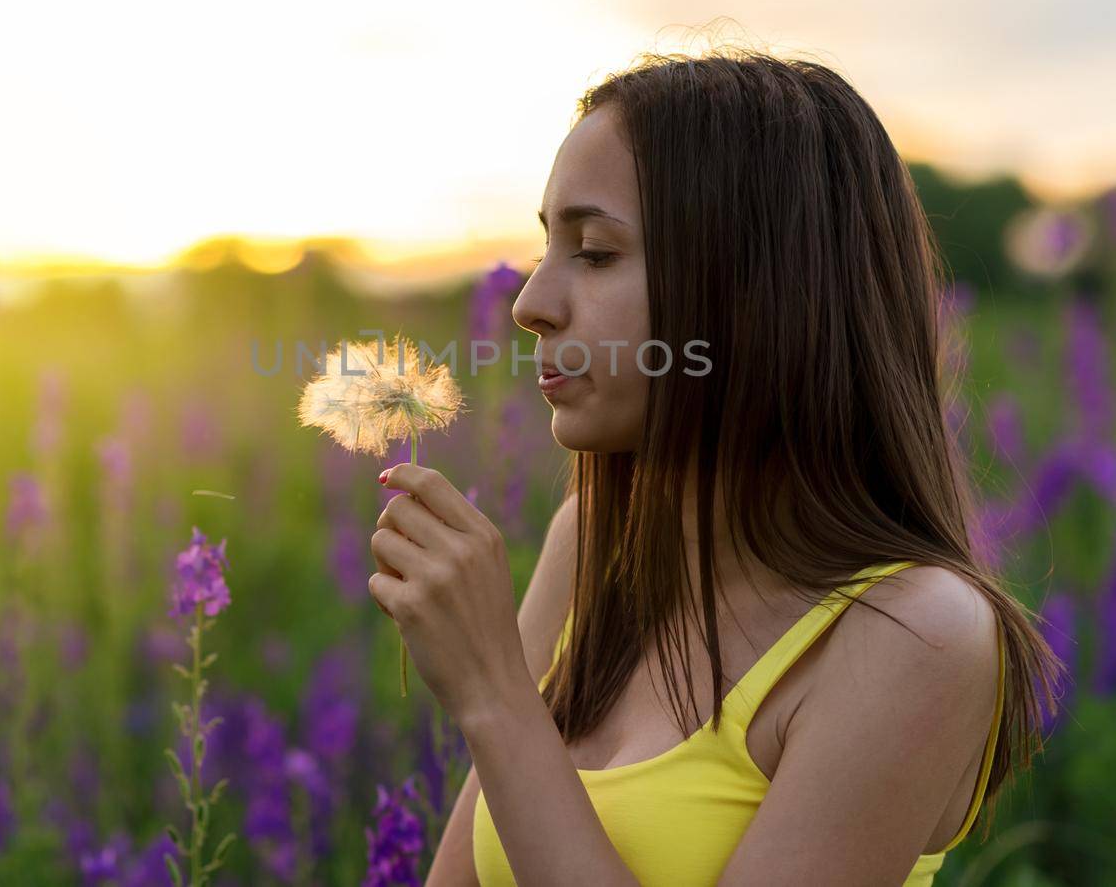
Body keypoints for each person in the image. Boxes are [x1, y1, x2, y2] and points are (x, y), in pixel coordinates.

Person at [367, 47, 1064, 885]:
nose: (531, 304)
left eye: (593, 253)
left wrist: (496, 698)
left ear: (752, 290)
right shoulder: (589, 546)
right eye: (546, 246)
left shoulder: (915, 633)